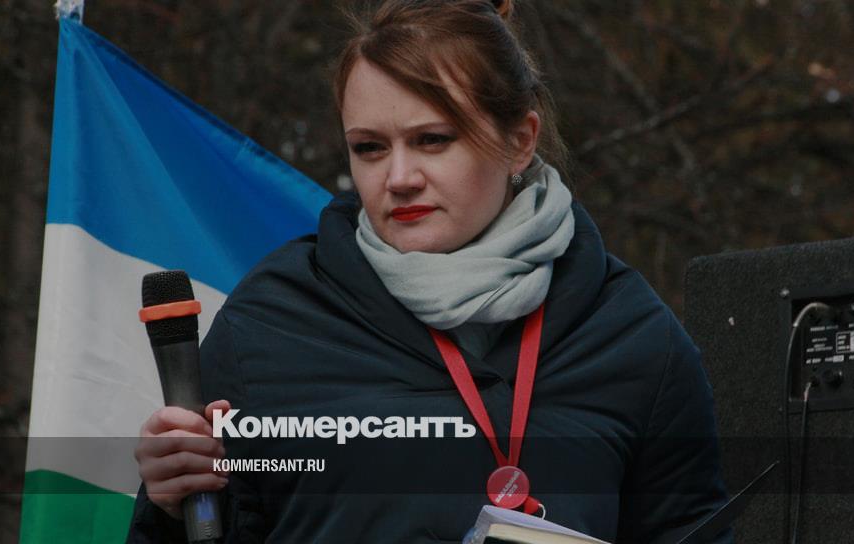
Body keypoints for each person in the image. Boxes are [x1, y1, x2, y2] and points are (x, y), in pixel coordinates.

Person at [128, 0, 733, 542]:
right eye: (369, 148)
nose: (398, 178)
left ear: (521, 140)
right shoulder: (268, 325)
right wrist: (170, 509)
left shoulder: (634, 335)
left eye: (433, 140)